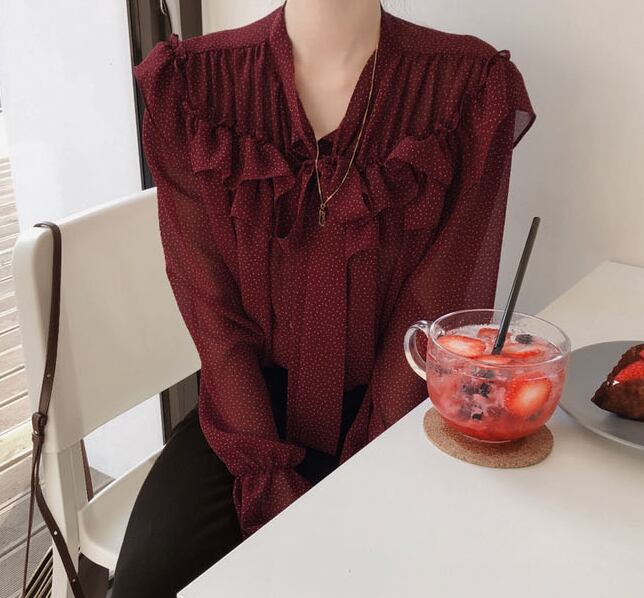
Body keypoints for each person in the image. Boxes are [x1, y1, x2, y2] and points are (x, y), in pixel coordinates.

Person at [111, 0, 536, 595]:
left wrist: (370, 460)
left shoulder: (467, 87)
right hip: (244, 409)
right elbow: (210, 308)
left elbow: (436, 297)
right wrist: (265, 471)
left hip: (395, 411)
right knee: (149, 582)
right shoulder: (193, 85)